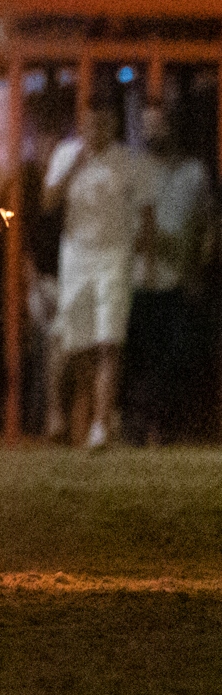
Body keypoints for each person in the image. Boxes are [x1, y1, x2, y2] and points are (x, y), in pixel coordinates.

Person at [41, 97, 154, 450]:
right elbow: (48, 202)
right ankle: (67, 416)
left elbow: (147, 214)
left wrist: (144, 257)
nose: (95, 131)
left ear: (113, 126)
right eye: (90, 124)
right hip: (75, 256)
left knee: (109, 341)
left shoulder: (130, 161)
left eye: (102, 124)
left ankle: (101, 425)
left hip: (114, 257)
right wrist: (72, 168)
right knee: (74, 341)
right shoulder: (66, 154)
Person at [124, 105, 211, 444]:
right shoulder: (135, 173)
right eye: (147, 126)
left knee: (174, 356)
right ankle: (139, 426)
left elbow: (207, 225)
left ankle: (166, 426)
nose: (152, 133)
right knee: (140, 355)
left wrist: (198, 268)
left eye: (158, 125)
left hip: (178, 279)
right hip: (139, 278)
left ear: (172, 127)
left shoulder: (194, 173)